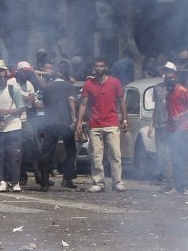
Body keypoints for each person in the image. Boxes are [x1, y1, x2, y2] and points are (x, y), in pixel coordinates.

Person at [75, 58, 128, 192]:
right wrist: (79, 121)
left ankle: (117, 182)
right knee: (96, 155)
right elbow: (83, 104)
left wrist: (125, 120)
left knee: (115, 154)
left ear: (106, 67)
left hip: (111, 122)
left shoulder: (114, 82)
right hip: (95, 124)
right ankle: (99, 182)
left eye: (101, 66)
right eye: (97, 66)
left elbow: (121, 101)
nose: (99, 68)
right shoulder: (89, 84)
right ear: (94, 68)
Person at [39, 66, 78, 191]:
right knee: (71, 151)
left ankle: (44, 182)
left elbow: (45, 105)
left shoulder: (48, 87)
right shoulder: (69, 86)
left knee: (47, 153)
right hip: (65, 122)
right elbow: (72, 102)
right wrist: (75, 119)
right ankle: (67, 179)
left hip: (50, 122)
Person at [0, 60, 25, 192]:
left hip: (14, 127)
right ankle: (2, 181)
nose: (1, 78)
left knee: (14, 155)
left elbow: (22, 108)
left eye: (3, 75)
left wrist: (8, 111)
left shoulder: (12, 89)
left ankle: (15, 182)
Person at [164, 63, 188, 194]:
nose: (169, 80)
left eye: (171, 77)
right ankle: (177, 186)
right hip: (172, 130)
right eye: (167, 77)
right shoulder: (169, 93)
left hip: (184, 129)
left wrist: (182, 114)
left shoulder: (183, 91)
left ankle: (186, 187)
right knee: (175, 158)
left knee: (184, 159)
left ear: (176, 77)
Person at [148, 62, 174, 191]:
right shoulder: (157, 88)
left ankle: (169, 181)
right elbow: (156, 107)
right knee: (161, 154)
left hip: (172, 126)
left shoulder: (176, 88)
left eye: (170, 72)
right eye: (166, 71)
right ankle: (166, 181)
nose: (167, 74)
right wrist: (151, 125)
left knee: (169, 154)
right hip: (159, 125)